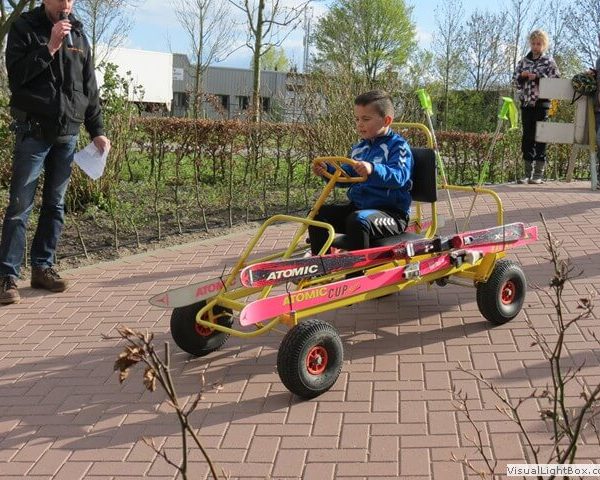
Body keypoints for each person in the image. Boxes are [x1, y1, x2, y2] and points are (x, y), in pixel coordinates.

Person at [0, 0, 110, 305]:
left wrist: (97, 130)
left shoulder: (79, 35)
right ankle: (7, 276)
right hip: (33, 131)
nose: (66, 4)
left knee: (55, 205)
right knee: (20, 206)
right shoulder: (24, 28)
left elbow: (89, 87)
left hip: (67, 134)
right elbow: (16, 77)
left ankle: (42, 268)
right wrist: (49, 47)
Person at [308, 90, 413, 257]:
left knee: (358, 220)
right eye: (357, 119)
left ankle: (358, 269)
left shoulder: (398, 147)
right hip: (359, 208)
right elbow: (347, 176)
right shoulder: (359, 148)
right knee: (317, 215)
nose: (359, 124)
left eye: (366, 119)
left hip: (391, 214)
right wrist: (327, 171)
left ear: (386, 120)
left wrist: (373, 169)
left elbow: (399, 176)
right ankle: (321, 263)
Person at [513, 29, 560, 184]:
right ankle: (527, 174)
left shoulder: (549, 61)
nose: (535, 46)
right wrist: (522, 76)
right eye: (533, 43)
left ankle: (538, 175)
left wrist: (539, 77)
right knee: (527, 137)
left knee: (541, 136)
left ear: (544, 45)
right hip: (527, 104)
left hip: (542, 104)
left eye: (538, 44)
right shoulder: (523, 62)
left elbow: (556, 81)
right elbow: (515, 81)